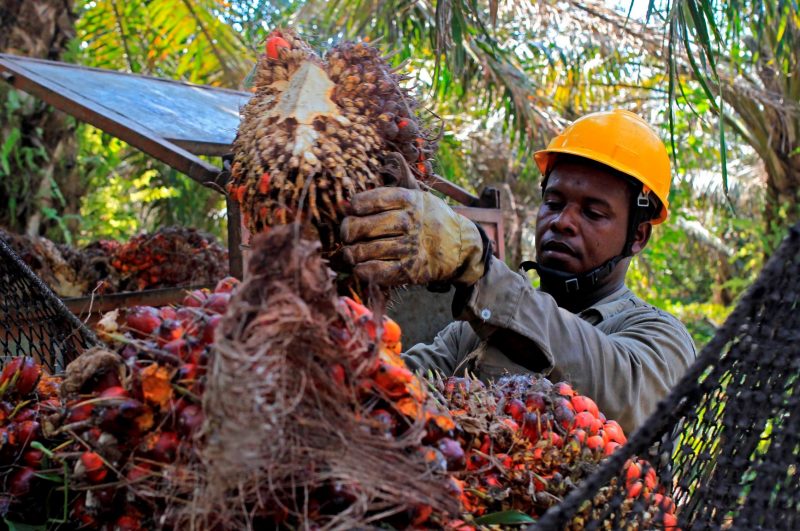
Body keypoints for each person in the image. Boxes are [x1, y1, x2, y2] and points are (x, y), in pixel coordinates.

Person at [340, 109, 696, 434]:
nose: (562, 222)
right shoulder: (472, 333)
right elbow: (393, 387)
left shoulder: (659, 337)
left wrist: (477, 269)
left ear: (637, 235)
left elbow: (622, 395)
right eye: (554, 203)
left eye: (592, 213)